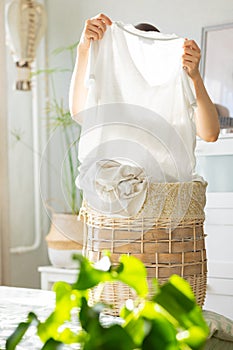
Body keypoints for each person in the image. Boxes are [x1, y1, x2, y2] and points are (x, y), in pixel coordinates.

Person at [69, 13, 220, 142]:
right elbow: (79, 112)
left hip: (168, 176)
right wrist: (83, 50)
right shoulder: (113, 95)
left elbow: (210, 133)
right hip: (118, 175)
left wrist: (195, 77)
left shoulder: (172, 95)